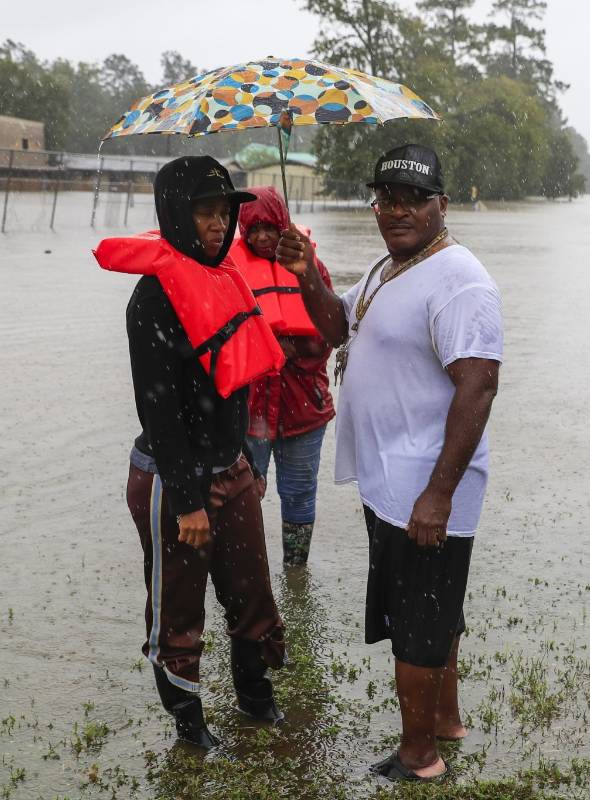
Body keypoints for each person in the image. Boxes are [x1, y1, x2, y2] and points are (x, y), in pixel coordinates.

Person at [276, 143, 502, 782]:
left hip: (423, 488)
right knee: (435, 611)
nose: (397, 209)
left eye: (413, 199)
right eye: (386, 198)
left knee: (419, 623)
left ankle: (418, 755)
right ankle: (447, 722)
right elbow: (334, 326)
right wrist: (304, 272)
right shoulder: (390, 268)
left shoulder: (462, 281)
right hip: (390, 480)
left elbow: (478, 387)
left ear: (442, 205)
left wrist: (438, 494)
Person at [94, 156, 289, 749]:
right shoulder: (152, 300)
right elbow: (160, 411)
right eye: (205, 212)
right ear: (176, 215)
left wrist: (249, 462)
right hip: (172, 481)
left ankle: (256, 702)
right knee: (179, 615)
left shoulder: (225, 277)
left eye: (225, 211)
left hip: (232, 468)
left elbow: (240, 381)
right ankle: (191, 729)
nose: (218, 224)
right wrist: (187, 503)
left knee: (253, 593)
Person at [229, 186, 335, 566]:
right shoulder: (230, 272)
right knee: (240, 491)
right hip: (248, 408)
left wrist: (297, 349)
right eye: (252, 230)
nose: (261, 237)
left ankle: (295, 570)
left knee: (299, 492)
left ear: (283, 225)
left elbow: (331, 330)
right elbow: (217, 340)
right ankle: (247, 572)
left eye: (269, 228)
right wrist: (263, 347)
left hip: (303, 406)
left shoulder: (312, 266)